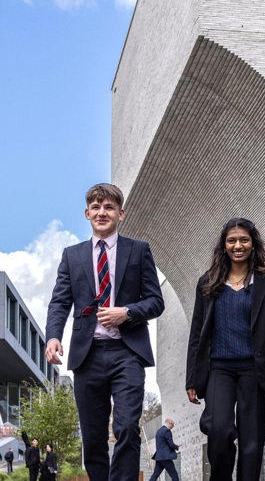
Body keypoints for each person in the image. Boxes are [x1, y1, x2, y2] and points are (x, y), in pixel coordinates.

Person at [45, 183, 165, 481]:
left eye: (109, 207)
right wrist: (53, 336)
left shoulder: (139, 251)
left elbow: (155, 301)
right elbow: (60, 301)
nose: (102, 212)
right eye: (96, 207)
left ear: (120, 214)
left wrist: (127, 312)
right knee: (93, 437)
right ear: (87, 213)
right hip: (88, 356)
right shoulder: (71, 256)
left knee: (126, 426)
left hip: (128, 353)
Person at [186, 217, 265, 480]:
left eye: (244, 239)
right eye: (231, 240)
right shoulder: (207, 283)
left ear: (253, 244)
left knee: (251, 445)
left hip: (255, 370)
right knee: (219, 432)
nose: (238, 245)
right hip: (219, 370)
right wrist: (192, 379)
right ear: (224, 245)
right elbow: (197, 334)